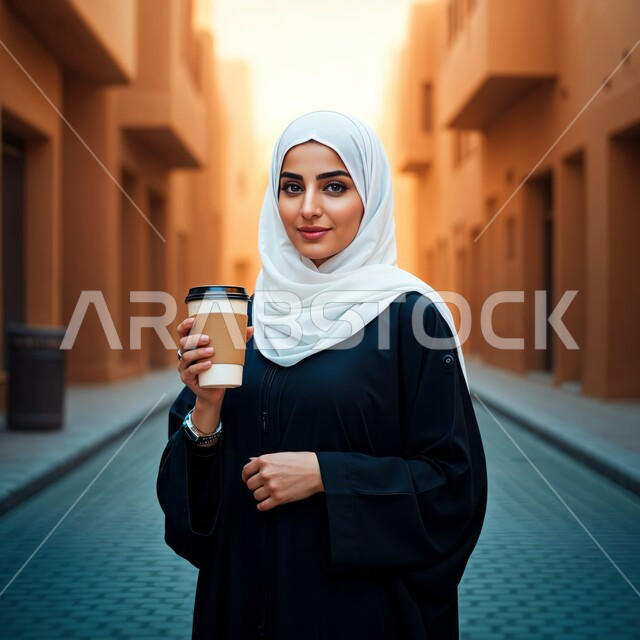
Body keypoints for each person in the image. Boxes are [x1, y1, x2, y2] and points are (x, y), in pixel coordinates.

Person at [157, 110, 488, 640]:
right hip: (243, 609)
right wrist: (206, 411)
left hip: (359, 616)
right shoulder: (253, 317)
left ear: (370, 197)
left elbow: (454, 488)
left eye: (334, 186)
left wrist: (326, 476)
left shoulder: (412, 318)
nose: (308, 208)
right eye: (291, 187)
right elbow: (191, 520)